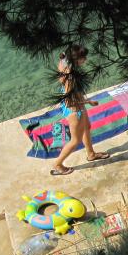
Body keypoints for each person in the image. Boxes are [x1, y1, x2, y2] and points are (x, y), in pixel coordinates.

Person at [51, 45, 109, 176]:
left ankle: (91, 154)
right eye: (83, 58)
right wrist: (88, 102)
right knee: (75, 140)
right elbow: (69, 99)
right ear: (76, 59)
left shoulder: (64, 60)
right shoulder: (70, 77)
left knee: (87, 127)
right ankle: (58, 164)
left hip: (76, 103)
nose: (86, 60)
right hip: (74, 108)